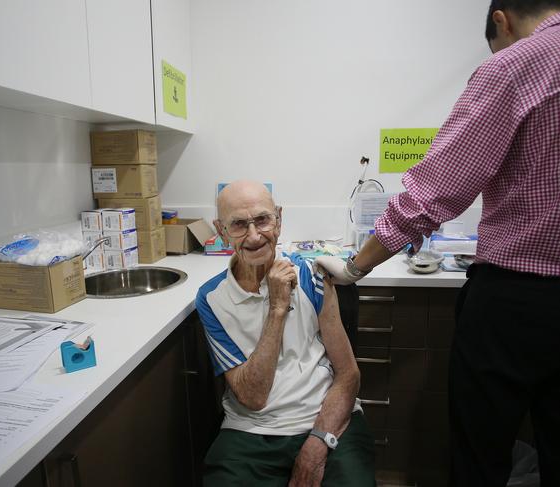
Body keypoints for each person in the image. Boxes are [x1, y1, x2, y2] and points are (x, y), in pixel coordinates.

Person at [317, 1, 560, 486]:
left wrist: (355, 267)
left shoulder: (517, 65)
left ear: (501, 19)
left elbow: (434, 192)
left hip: (519, 303)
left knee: (481, 453)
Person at [195, 180, 375, 487]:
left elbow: (348, 376)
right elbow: (252, 397)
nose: (254, 236)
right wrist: (278, 307)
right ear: (222, 231)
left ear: (279, 218)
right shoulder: (212, 299)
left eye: (263, 220)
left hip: (325, 418)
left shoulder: (312, 278)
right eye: (238, 225)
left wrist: (318, 442)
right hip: (251, 430)